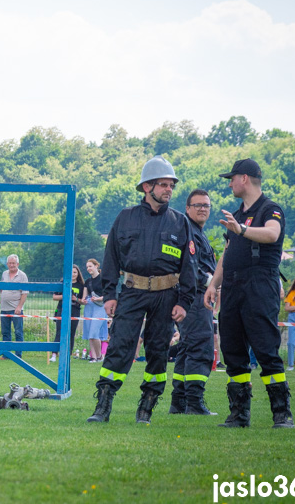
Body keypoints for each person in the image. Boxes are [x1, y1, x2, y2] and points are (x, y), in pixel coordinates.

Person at [86, 156, 195, 425]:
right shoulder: (125, 218)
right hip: (132, 292)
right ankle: (103, 405)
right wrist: (110, 295)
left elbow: (189, 266)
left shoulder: (180, 222)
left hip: (167, 295)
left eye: (171, 185)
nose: (169, 190)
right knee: (120, 346)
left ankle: (147, 407)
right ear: (147, 187)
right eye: (163, 185)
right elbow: (110, 259)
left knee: (158, 351)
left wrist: (184, 301)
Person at [205, 158, 293, 428]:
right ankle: (239, 414)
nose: (229, 183)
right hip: (232, 286)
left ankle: (282, 413)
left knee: (266, 348)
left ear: (244, 178)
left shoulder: (270, 208)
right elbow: (228, 252)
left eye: (232, 178)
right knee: (232, 350)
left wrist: (242, 229)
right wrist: (213, 284)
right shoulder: (237, 214)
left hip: (259, 284)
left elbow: (272, 234)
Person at [170, 189, 218, 415]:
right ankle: (195, 403)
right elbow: (188, 265)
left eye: (206, 205)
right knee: (201, 347)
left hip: (193, 296)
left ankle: (179, 402)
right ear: (187, 208)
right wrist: (211, 281)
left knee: (187, 348)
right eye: (197, 205)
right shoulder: (188, 231)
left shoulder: (196, 231)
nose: (202, 209)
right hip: (195, 296)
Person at [51, 264, 87, 362]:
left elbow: (83, 301)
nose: (73, 274)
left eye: (75, 272)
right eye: (71, 272)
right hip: (61, 310)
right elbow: (54, 297)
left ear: (78, 273)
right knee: (59, 331)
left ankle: (68, 354)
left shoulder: (81, 285)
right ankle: (54, 354)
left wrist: (76, 299)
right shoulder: (62, 283)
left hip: (75, 310)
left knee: (71, 333)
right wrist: (65, 296)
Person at [0, 254, 29, 358]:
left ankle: (18, 355)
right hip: (4, 308)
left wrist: (19, 307)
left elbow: (25, 293)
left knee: (18, 332)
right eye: (10, 263)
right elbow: (1, 288)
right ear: (7, 264)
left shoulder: (22, 275)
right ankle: (6, 354)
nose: (12, 265)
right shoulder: (4, 274)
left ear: (17, 264)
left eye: (13, 263)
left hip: (16, 309)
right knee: (5, 332)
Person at [82, 259, 107, 362]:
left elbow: (108, 294)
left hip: (100, 306)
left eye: (90, 266)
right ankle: (94, 357)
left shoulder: (103, 279)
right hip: (89, 307)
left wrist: (98, 298)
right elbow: (84, 296)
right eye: (87, 267)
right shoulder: (88, 281)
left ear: (96, 266)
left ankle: (100, 356)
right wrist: (82, 300)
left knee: (94, 332)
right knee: (89, 334)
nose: (88, 269)